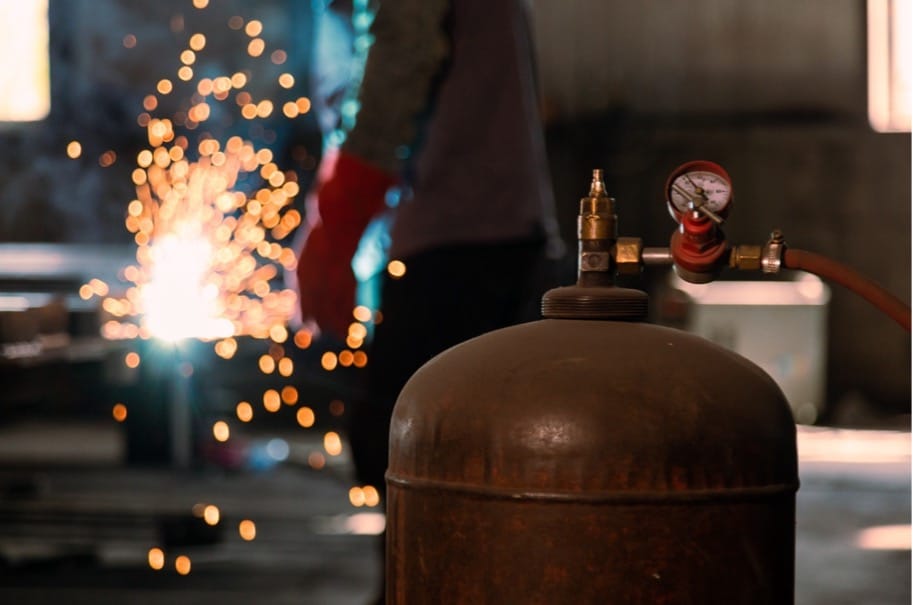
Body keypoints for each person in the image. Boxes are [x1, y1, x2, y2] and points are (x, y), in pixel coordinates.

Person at [295, 0, 562, 599]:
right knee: (438, 449)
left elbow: (402, 57)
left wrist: (335, 229)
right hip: (476, 224)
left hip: (463, 232)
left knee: (409, 445)